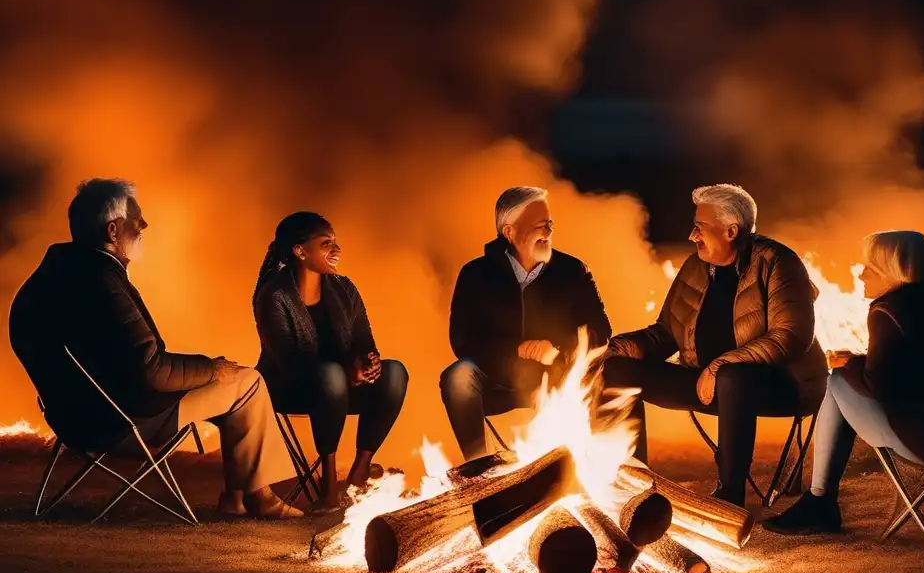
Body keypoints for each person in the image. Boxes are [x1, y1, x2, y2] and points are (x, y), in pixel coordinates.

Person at [9, 179, 302, 519]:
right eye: (136, 218)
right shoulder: (103, 284)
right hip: (122, 423)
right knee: (246, 382)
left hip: (72, 420)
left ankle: (235, 500)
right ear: (113, 230)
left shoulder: (49, 277)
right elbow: (153, 372)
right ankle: (260, 499)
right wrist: (210, 367)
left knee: (226, 385)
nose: (144, 225)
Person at [763, 231, 924, 535]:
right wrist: (861, 361)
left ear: (892, 272)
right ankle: (819, 502)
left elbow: (879, 386)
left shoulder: (889, 309)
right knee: (846, 377)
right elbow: (921, 371)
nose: (860, 275)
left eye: (869, 269)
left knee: (836, 382)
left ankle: (820, 501)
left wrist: (851, 364)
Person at [603, 184, 827, 507]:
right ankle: (632, 484)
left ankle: (729, 496)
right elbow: (666, 332)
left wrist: (720, 365)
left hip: (784, 385)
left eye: (700, 227)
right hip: (706, 382)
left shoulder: (779, 263)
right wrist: (617, 347)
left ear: (731, 231)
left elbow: (790, 338)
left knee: (733, 377)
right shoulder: (696, 266)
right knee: (616, 371)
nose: (693, 236)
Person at [441, 186, 612, 462]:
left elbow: (601, 332)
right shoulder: (475, 274)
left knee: (600, 375)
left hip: (555, 375)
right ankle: (478, 468)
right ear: (509, 232)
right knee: (458, 377)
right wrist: (515, 350)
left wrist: (557, 349)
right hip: (495, 375)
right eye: (539, 226)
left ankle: (577, 465)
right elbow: (462, 339)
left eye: (550, 224)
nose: (548, 232)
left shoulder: (572, 270)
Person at [253, 212, 408, 512]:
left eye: (335, 243)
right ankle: (328, 490)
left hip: (341, 386)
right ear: (300, 251)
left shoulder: (344, 288)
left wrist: (367, 363)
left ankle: (359, 472)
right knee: (330, 375)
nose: (337, 250)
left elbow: (364, 341)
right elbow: (289, 362)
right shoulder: (274, 294)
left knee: (394, 372)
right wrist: (348, 374)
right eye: (326, 244)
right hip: (290, 387)